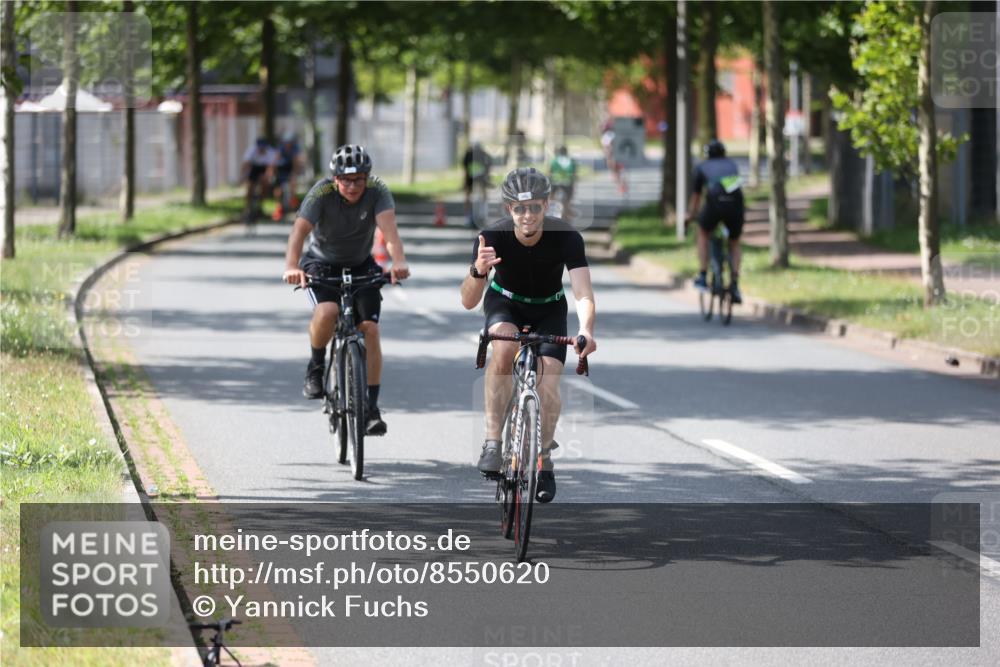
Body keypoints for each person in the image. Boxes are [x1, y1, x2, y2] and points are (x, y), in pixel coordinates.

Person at [460, 167, 598, 503]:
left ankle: (544, 461)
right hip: (505, 304)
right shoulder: (492, 237)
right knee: (503, 350)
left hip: (549, 309)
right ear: (509, 209)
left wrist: (586, 330)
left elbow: (582, 293)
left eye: (535, 207)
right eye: (520, 208)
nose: (528, 215)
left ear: (547, 206)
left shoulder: (567, 237)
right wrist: (478, 270)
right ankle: (493, 441)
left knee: (549, 380)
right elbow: (468, 301)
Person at [282, 144, 411, 436]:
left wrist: (399, 261)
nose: (353, 186)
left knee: (371, 330)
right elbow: (299, 232)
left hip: (360, 264)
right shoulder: (322, 192)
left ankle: (371, 408)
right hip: (321, 264)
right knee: (327, 311)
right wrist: (292, 266)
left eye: (359, 180)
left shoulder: (378, 190)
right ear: (335, 178)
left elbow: (389, 233)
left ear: (368, 178)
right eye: (346, 180)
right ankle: (316, 366)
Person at [687, 139, 744, 304]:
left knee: (703, 233)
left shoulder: (701, 167)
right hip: (736, 203)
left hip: (714, 203)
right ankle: (734, 284)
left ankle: (703, 275)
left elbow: (696, 198)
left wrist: (690, 216)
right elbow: (735, 187)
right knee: (734, 242)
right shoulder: (732, 165)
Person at [242, 137, 278, 216]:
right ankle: (247, 207)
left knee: (265, 184)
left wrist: (267, 177)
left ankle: (260, 204)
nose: (261, 149)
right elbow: (246, 164)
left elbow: (271, 168)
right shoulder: (251, 150)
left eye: (263, 147)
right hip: (254, 168)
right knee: (249, 186)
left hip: (265, 168)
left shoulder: (270, 152)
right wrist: (243, 176)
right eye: (260, 147)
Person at [272, 131, 304, 221]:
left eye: (290, 143)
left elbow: (296, 163)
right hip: (281, 168)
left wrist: (294, 175)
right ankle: (278, 207)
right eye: (286, 143)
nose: (288, 145)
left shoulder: (295, 149)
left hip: (290, 168)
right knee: (278, 188)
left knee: (292, 183)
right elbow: (274, 162)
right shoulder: (280, 148)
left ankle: (293, 200)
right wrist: (272, 173)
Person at [463, 142, 491, 227]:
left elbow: (465, 167)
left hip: (475, 177)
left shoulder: (470, 154)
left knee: (480, 195)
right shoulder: (481, 154)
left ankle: (478, 215)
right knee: (479, 195)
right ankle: (472, 216)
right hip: (475, 177)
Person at [548, 146, 578, 217]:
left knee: (550, 197)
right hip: (567, 182)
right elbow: (574, 173)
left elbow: (549, 172)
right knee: (568, 199)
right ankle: (567, 211)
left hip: (555, 182)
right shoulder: (571, 160)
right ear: (566, 152)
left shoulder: (554, 160)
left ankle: (549, 210)